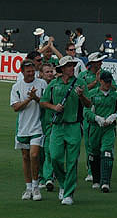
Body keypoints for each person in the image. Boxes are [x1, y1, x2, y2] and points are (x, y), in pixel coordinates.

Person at [40, 56, 91, 205]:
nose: (72, 68)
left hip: (74, 126)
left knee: (72, 161)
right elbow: (43, 102)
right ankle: (62, 183)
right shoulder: (54, 84)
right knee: (55, 157)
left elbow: (88, 104)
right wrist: (53, 107)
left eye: (73, 65)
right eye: (69, 65)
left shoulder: (81, 83)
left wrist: (82, 96)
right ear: (62, 69)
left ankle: (69, 193)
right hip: (56, 126)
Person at [10, 59, 47, 201]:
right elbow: (15, 107)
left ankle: (36, 186)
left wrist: (35, 98)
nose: (31, 73)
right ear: (22, 72)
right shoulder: (17, 87)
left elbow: (44, 103)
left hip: (37, 126)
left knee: (34, 155)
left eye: (32, 71)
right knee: (25, 157)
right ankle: (28, 188)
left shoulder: (42, 84)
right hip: (23, 127)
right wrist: (29, 99)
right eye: (28, 71)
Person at [84, 72, 117, 192]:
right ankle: (96, 180)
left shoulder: (115, 97)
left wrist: (115, 115)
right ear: (100, 81)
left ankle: (106, 182)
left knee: (107, 152)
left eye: (110, 81)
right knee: (94, 153)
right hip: (94, 129)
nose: (108, 84)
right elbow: (86, 111)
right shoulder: (92, 94)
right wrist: (96, 118)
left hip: (109, 129)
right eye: (106, 81)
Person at [78, 52, 116, 182]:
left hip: (105, 114)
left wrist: (103, 81)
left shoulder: (106, 74)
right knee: (90, 145)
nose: (101, 63)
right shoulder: (83, 75)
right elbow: (81, 91)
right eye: (99, 61)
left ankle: (103, 172)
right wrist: (95, 82)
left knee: (105, 145)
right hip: (89, 116)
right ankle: (91, 171)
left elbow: (113, 88)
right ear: (92, 63)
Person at [38, 63, 56, 191]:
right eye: (47, 72)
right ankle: (41, 175)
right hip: (38, 123)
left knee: (49, 150)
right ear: (41, 74)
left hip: (51, 122)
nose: (50, 74)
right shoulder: (38, 85)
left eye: (51, 71)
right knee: (38, 151)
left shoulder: (56, 85)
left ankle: (48, 177)